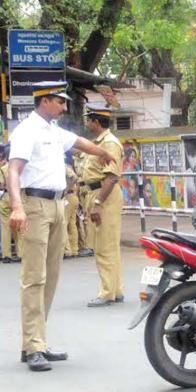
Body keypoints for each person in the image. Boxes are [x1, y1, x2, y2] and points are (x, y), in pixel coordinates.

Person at [7, 81, 114, 371]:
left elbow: (80, 143)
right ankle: (33, 347)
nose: (64, 107)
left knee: (51, 276)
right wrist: (17, 206)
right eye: (60, 102)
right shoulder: (26, 131)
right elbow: (14, 172)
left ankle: (36, 341)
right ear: (44, 102)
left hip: (56, 204)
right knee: (34, 277)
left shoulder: (53, 131)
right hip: (34, 205)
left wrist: (104, 153)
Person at [82, 104, 126, 308]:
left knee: (104, 247)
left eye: (88, 119)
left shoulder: (109, 143)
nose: (86, 122)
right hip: (97, 193)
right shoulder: (98, 142)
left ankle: (107, 293)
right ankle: (115, 290)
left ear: (96, 122)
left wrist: (98, 203)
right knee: (109, 246)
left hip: (103, 195)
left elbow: (111, 176)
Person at [1, 144, 23, 263]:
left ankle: (6, 254)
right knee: (19, 226)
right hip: (18, 197)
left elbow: (1, 184)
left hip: (5, 196)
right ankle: (21, 253)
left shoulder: (3, 168)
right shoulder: (20, 167)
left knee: (6, 227)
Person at [63, 159, 80, 258]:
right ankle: (74, 249)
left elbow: (74, 178)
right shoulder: (66, 166)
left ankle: (67, 250)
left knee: (64, 223)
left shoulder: (64, 166)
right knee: (72, 224)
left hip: (69, 196)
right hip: (72, 196)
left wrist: (67, 189)